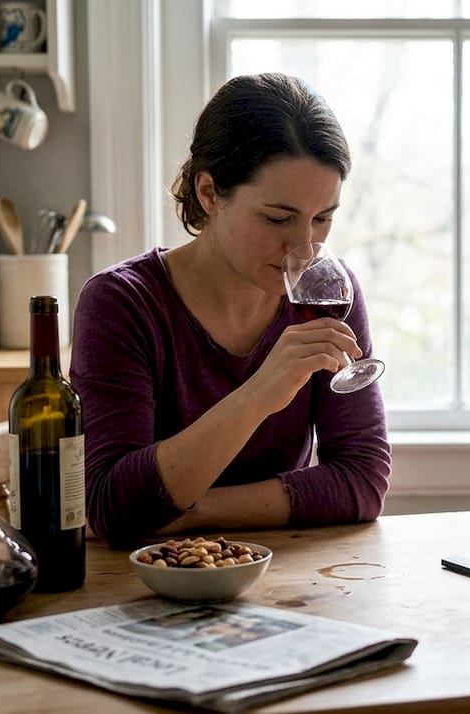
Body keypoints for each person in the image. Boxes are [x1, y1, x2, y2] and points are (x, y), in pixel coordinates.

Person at [71, 73, 391, 549]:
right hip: (145, 587)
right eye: (277, 218)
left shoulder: (327, 293)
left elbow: (362, 481)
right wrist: (259, 395)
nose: (306, 245)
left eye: (323, 218)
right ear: (208, 193)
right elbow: (111, 506)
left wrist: (191, 511)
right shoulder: (121, 304)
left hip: (286, 582)